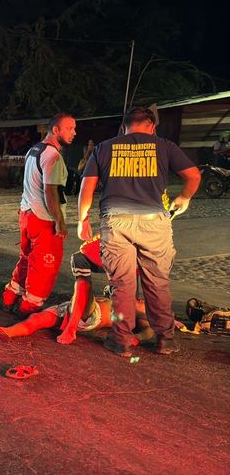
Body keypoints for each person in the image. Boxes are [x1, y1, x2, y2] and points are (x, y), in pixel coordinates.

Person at [78, 106, 201, 357]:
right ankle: (165, 340)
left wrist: (83, 220)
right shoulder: (164, 145)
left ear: (124, 127)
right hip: (154, 223)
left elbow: (86, 188)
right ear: (152, 126)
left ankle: (121, 340)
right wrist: (183, 198)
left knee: (121, 285)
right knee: (157, 283)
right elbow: (193, 176)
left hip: (116, 222)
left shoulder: (104, 148)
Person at [0, 234, 155, 344]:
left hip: (88, 317)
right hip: (69, 308)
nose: (140, 300)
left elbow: (149, 330)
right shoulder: (124, 299)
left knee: (85, 287)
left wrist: (137, 338)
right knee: (37, 319)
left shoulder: (137, 310)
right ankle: (6, 332)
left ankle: (70, 327)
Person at [2, 113, 77, 315]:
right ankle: (29, 307)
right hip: (43, 218)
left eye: (74, 128)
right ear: (55, 130)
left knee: (26, 258)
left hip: (27, 214)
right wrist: (59, 221)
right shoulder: (53, 156)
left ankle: (10, 297)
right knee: (45, 266)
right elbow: (50, 191)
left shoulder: (34, 150)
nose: (74, 133)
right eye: (69, 128)